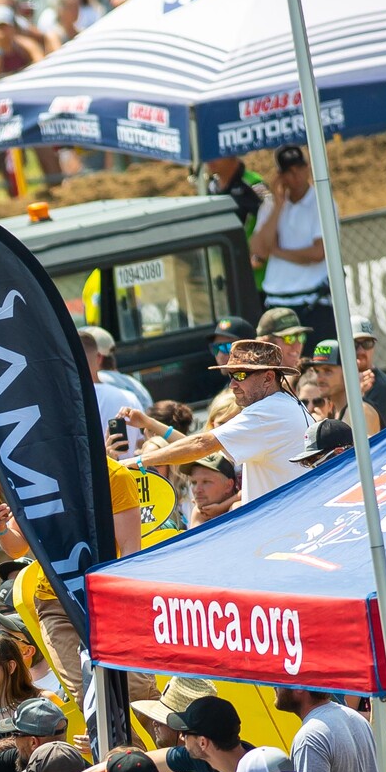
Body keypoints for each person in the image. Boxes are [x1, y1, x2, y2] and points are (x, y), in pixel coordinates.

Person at [125, 339, 310, 504]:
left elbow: (201, 445)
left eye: (240, 375)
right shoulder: (285, 405)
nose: (232, 385)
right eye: (231, 376)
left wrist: (138, 462)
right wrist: (150, 424)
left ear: (268, 377)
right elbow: (205, 452)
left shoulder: (267, 411)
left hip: (284, 527)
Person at [252, 144, 333, 345]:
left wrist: (278, 251)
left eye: (299, 169)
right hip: (277, 303)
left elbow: (318, 252)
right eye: (288, 171)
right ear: (280, 176)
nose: (295, 176)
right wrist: (278, 204)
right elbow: (258, 252)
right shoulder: (271, 206)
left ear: (307, 168)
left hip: (312, 303)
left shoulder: (322, 202)